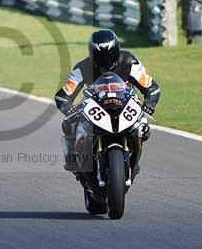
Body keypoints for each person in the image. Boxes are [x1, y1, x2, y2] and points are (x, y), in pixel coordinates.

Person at [54, 29, 161, 182]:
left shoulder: (129, 61)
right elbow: (63, 95)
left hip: (126, 105)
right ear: (92, 55)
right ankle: (75, 162)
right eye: (100, 57)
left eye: (109, 55)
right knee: (68, 124)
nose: (106, 61)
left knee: (143, 130)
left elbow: (151, 87)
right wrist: (68, 108)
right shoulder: (83, 67)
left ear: (117, 51)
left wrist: (149, 103)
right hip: (96, 108)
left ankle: (134, 161)